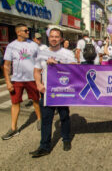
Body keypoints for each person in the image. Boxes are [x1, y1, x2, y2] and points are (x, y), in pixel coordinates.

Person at [30, 28, 76, 158]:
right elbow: (37, 71)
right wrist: (38, 84)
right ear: (48, 38)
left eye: (57, 36)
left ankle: (66, 140)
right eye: (52, 36)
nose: (54, 39)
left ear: (61, 39)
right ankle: (44, 146)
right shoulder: (42, 53)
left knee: (65, 117)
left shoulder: (67, 53)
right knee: (46, 120)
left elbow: (74, 68)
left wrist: (58, 64)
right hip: (47, 92)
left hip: (63, 92)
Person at [2, 24, 41, 140]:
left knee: (36, 100)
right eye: (25, 30)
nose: (28, 32)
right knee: (15, 103)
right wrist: (8, 82)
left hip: (32, 79)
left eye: (28, 30)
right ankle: (14, 129)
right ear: (18, 32)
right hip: (17, 80)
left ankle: (39, 119)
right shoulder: (11, 46)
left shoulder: (34, 45)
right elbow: (6, 65)